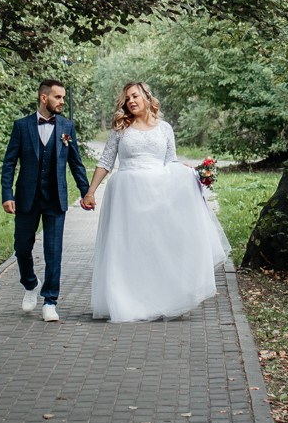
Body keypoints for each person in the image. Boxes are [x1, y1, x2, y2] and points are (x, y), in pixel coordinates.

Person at [80, 81, 229, 322]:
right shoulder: (121, 129)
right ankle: (126, 301)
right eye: (127, 98)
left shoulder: (165, 129)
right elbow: (106, 161)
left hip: (157, 194)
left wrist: (192, 173)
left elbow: (170, 161)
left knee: (155, 247)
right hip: (126, 194)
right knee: (127, 249)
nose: (131, 101)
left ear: (148, 98)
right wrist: (90, 191)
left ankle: (159, 299)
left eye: (135, 96)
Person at [1, 79, 90, 322]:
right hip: (26, 198)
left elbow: (75, 162)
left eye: (62, 98)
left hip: (55, 199)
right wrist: (7, 194)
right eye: (58, 97)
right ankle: (30, 283)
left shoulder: (66, 127)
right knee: (21, 248)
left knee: (54, 252)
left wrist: (86, 192)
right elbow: (9, 162)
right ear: (44, 98)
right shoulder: (22, 126)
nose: (62, 102)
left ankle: (50, 301)